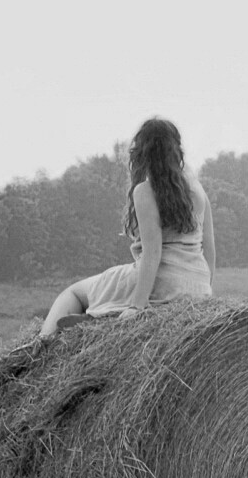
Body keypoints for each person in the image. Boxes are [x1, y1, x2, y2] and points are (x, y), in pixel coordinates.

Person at [39, 117, 215, 337]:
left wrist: (137, 307)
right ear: (176, 150)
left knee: (73, 293)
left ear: (141, 153)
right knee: (112, 286)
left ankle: (40, 343)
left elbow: (153, 253)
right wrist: (206, 293)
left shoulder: (145, 191)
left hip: (162, 282)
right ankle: (106, 313)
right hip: (198, 285)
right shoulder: (199, 190)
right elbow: (210, 249)